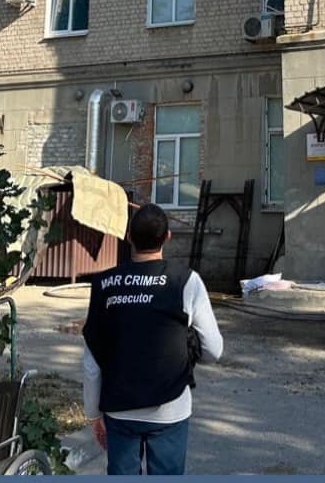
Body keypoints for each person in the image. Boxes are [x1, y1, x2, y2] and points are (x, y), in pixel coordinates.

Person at [81, 203, 223, 475]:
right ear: (167, 236)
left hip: (119, 408)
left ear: (129, 237)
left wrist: (93, 413)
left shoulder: (103, 284)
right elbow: (213, 350)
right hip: (170, 407)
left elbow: (92, 360)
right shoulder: (186, 281)